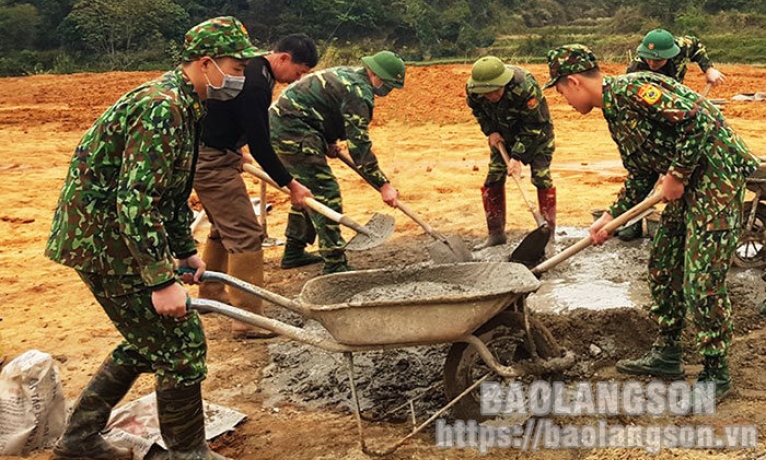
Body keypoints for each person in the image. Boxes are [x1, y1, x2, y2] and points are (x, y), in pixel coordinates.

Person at [44, 16, 261, 460]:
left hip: (116, 238)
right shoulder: (163, 107)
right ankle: (187, 453)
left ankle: (79, 438)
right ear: (206, 64)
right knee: (181, 346)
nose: (241, 76)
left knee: (149, 340)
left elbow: (172, 190)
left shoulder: (187, 104)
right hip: (103, 243)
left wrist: (183, 249)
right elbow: (135, 199)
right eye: (236, 67)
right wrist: (162, 281)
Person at [544, 44, 759, 400]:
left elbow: (700, 119)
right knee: (663, 266)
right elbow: (641, 172)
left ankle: (716, 371)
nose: (563, 98)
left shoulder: (634, 89)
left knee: (700, 279)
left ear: (574, 81)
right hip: (687, 180)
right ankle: (668, 353)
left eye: (561, 90)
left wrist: (675, 174)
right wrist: (611, 217)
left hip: (716, 175)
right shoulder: (613, 112)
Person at [194, 33, 318, 339]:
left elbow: (233, 120)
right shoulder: (256, 83)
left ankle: (209, 294)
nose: (295, 80)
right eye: (298, 73)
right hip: (211, 162)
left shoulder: (253, 71)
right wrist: (291, 184)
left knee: (224, 227)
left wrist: (235, 148)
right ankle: (248, 319)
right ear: (284, 58)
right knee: (247, 234)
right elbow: (262, 143)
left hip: (214, 152)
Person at [269, 50, 404, 274]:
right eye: (386, 84)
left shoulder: (349, 76)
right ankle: (335, 263)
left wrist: (328, 140)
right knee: (325, 192)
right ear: (373, 73)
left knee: (307, 191)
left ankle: (293, 251)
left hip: (291, 125)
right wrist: (383, 185)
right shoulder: (359, 92)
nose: (386, 90)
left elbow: (324, 106)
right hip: (291, 130)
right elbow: (359, 145)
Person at [622, 28, 726, 241]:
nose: (652, 64)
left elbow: (696, 44)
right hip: (650, 117)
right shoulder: (635, 70)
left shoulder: (681, 46)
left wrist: (709, 69)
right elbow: (633, 105)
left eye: (657, 62)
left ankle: (678, 219)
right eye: (649, 59)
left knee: (678, 168)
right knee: (644, 169)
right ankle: (631, 222)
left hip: (678, 111)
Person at [466, 56, 556, 248]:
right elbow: (478, 111)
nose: (491, 97)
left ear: (504, 82)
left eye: (495, 92)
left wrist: (517, 157)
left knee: (542, 177)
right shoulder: (474, 89)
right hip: (503, 136)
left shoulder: (525, 86)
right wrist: (490, 131)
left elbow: (534, 124)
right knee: (493, 178)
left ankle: (548, 234)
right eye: (487, 94)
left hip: (536, 135)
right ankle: (496, 234)